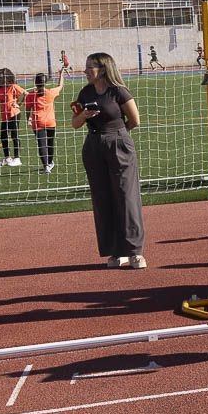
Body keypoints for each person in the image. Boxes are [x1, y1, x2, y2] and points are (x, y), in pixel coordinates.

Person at [72, 53, 146, 268]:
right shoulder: (85, 92)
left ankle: (135, 252)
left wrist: (118, 137)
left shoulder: (119, 91)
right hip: (94, 146)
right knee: (102, 197)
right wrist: (84, 116)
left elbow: (134, 120)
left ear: (102, 69)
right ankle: (116, 252)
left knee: (126, 196)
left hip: (118, 143)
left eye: (89, 67)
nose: (85, 71)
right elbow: (75, 123)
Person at [24, 70, 66, 174]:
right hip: (50, 122)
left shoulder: (30, 95)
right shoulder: (51, 92)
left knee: (41, 144)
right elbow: (60, 86)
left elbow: (27, 110)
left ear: (35, 83)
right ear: (45, 82)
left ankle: (46, 166)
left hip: (38, 123)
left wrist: (28, 119)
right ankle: (50, 162)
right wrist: (61, 74)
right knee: (50, 144)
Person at [0, 68, 26, 167]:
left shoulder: (13, 87)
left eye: (1, 77)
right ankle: (7, 158)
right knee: (3, 136)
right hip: (5, 116)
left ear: (7, 77)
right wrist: (2, 105)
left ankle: (17, 158)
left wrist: (19, 105)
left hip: (14, 114)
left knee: (14, 135)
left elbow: (26, 94)